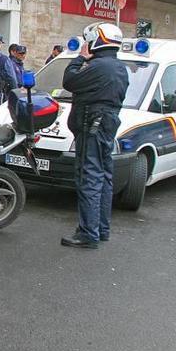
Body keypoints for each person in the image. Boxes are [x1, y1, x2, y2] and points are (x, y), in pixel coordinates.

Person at [60, 22, 129, 249]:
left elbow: (69, 81)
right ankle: (101, 229)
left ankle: (88, 233)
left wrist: (79, 58)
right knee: (103, 175)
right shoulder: (117, 66)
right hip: (104, 123)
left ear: (97, 40)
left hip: (93, 124)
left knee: (89, 176)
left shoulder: (99, 66)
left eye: (89, 41)